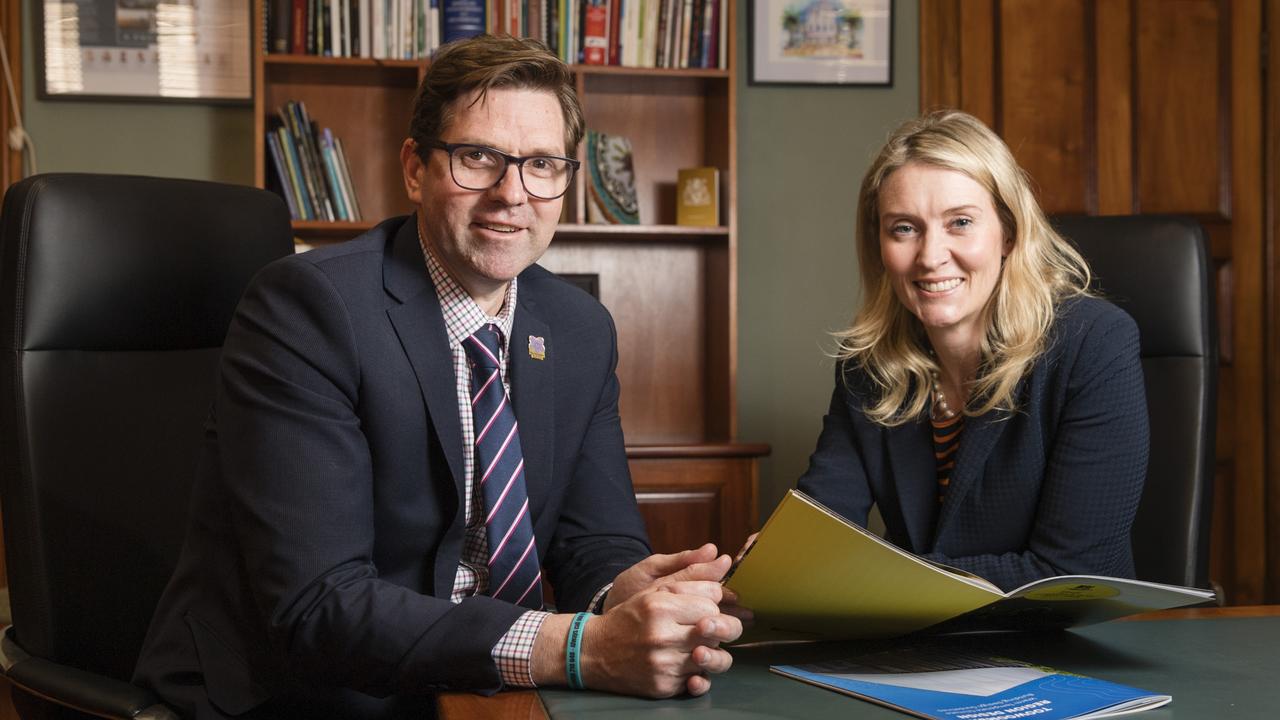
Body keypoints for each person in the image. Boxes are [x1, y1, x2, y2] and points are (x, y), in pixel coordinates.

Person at [134, 35, 741, 719]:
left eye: (542, 164)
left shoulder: (579, 329)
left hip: (473, 687)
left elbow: (594, 537)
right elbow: (318, 606)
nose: (513, 194)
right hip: (302, 700)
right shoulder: (308, 309)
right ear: (415, 168)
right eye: (478, 157)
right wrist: (577, 647)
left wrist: (621, 592)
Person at [796, 110, 1149, 591]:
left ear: (1008, 231)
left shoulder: (1094, 344)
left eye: (960, 222)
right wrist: (774, 562)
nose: (930, 255)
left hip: (1061, 645)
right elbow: (819, 535)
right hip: (913, 648)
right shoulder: (869, 367)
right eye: (904, 228)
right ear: (878, 243)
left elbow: (1073, 574)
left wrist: (872, 579)